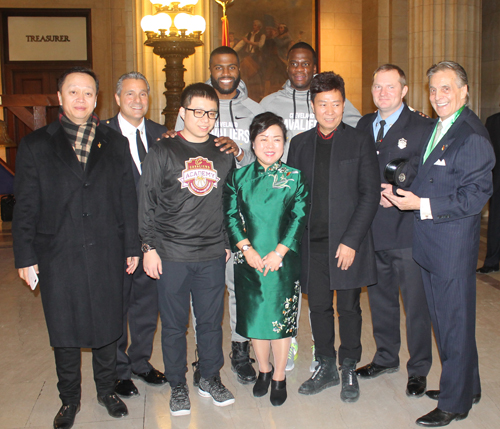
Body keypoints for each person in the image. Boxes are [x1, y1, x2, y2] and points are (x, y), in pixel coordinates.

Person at [13, 67, 140, 429]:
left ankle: (107, 390)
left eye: (87, 93)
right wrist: (25, 256)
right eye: (73, 92)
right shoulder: (36, 144)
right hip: (57, 252)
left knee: (107, 323)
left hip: (106, 249)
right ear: (60, 98)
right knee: (64, 328)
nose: (81, 99)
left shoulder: (113, 142)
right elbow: (25, 205)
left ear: (96, 98)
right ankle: (69, 399)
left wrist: (131, 245)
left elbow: (126, 196)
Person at [383, 61, 494, 427]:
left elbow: (475, 196)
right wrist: (400, 191)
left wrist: (421, 205)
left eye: (446, 88)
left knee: (453, 325)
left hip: (450, 247)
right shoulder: (442, 126)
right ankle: (467, 386)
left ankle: (454, 403)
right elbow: (430, 175)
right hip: (431, 244)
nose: (438, 96)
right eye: (433, 90)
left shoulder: (471, 134)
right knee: (449, 322)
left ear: (465, 91)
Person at [139, 83, 236, 416]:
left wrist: (226, 242)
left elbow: (229, 203)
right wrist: (148, 246)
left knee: (210, 323)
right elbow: (147, 202)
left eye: (211, 113)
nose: (205, 119)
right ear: (182, 112)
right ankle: (177, 384)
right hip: (171, 253)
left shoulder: (224, 153)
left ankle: (209, 377)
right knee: (174, 325)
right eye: (197, 112)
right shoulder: (163, 150)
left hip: (211, 254)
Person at [287, 72, 380, 403]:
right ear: (313, 106)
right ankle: (325, 365)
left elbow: (369, 195)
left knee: (350, 308)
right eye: (323, 104)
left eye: (336, 104)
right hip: (312, 244)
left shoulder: (358, 140)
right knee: (320, 308)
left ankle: (349, 366)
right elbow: (293, 196)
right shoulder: (298, 144)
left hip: (346, 245)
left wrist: (352, 240)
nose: (330, 111)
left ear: (344, 104)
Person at [175, 46, 263, 386]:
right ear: (210, 69)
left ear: (239, 69)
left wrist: (240, 150)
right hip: (204, 221)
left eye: (230, 66)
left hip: (243, 218)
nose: (224, 71)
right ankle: (203, 355)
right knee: (205, 295)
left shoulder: (255, 109)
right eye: (217, 66)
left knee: (239, 288)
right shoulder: (194, 108)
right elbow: (177, 153)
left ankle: (241, 351)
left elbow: (268, 157)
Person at [355, 64, 433, 397]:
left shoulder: (421, 126)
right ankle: (386, 357)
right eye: (377, 87)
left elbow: (429, 171)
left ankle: (419, 369)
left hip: (408, 231)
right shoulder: (362, 125)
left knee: (416, 304)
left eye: (390, 87)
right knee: (381, 298)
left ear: (403, 90)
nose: (382, 93)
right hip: (372, 230)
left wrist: (399, 194)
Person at [224, 112, 309, 406]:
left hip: (282, 261)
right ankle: (263, 370)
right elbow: (231, 216)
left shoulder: (294, 178)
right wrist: (246, 250)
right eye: (263, 139)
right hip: (249, 261)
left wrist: (279, 252)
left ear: (284, 142)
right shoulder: (238, 176)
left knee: (281, 322)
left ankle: (279, 377)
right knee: (256, 320)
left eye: (277, 139)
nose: (270, 145)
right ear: (253, 142)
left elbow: (299, 218)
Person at [104, 71, 167, 398]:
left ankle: (140, 362)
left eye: (143, 94)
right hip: (115, 239)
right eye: (130, 94)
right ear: (117, 98)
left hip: (152, 240)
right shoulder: (101, 134)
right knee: (117, 305)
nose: (137, 100)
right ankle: (118, 370)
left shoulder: (161, 134)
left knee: (146, 305)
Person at [260, 42, 362, 163]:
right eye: (294, 64)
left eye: (305, 64)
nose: (299, 69)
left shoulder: (332, 100)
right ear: (287, 67)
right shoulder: (269, 104)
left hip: (323, 173)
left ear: (314, 68)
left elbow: (362, 130)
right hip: (283, 178)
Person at [476, 110, 500, 273]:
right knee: (495, 222)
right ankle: (492, 261)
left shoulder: (493, 120)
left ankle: (492, 262)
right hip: (497, 180)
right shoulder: (493, 121)